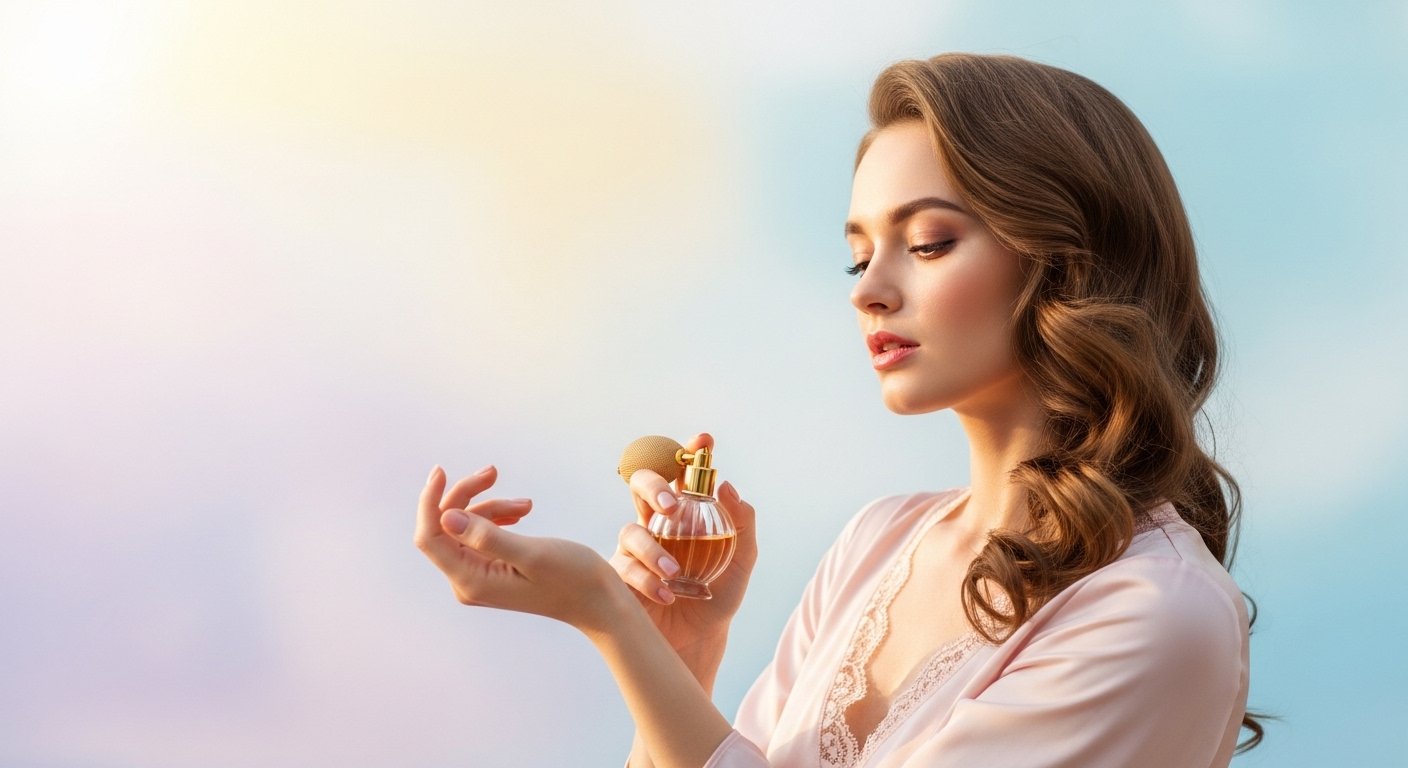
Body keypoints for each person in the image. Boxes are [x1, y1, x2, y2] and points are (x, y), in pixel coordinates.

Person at [413, 52, 1260, 767]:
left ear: (1070, 260)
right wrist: (681, 653)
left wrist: (605, 612)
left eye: (928, 243)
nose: (872, 294)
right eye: (859, 260)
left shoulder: (1157, 613)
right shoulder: (877, 544)